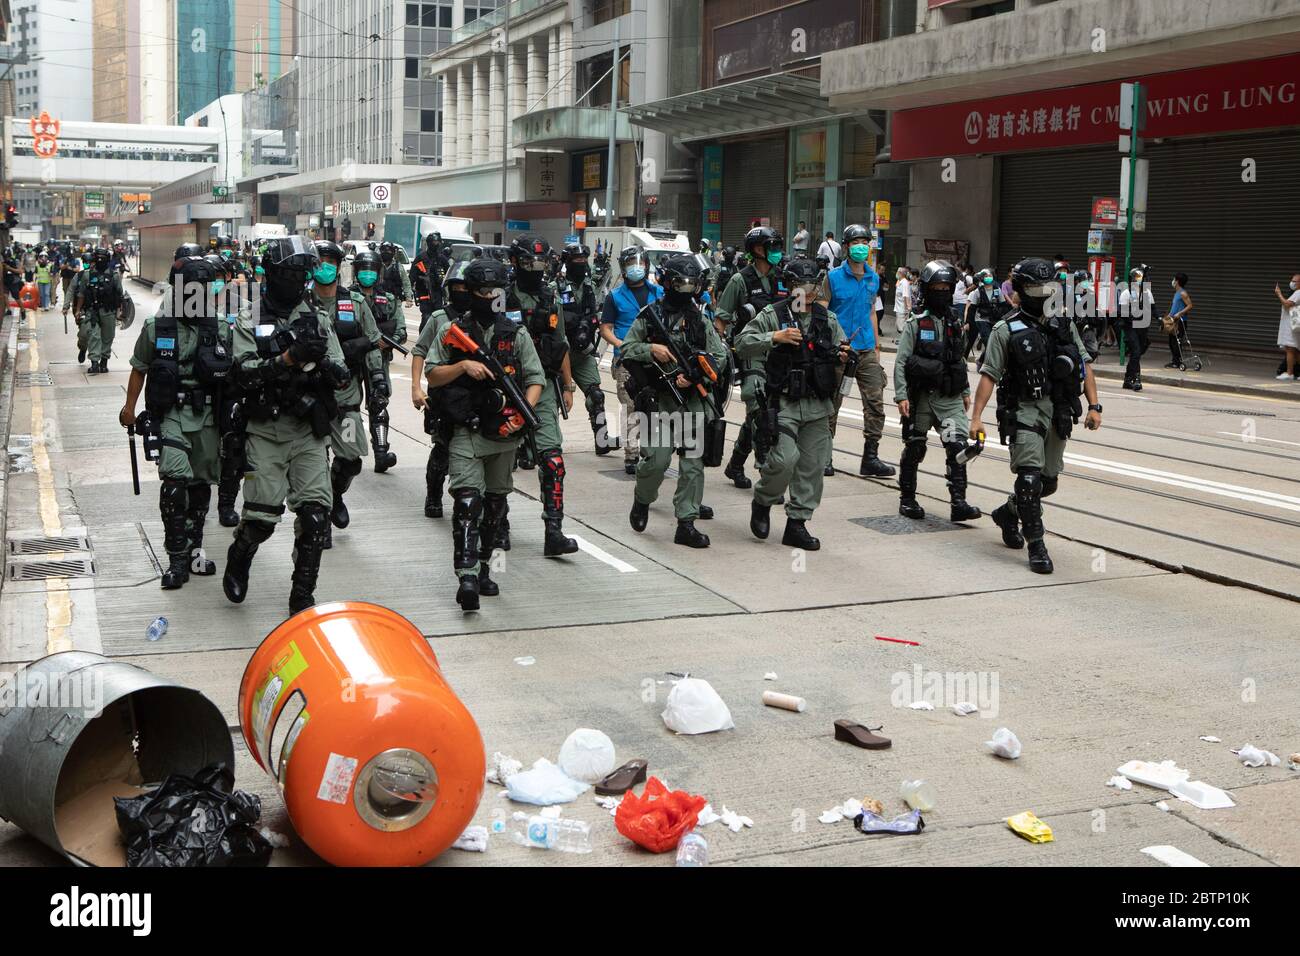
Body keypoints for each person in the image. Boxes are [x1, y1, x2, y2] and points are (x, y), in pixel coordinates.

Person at [223, 236, 350, 614]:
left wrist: (326, 365)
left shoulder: (317, 318)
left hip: (306, 430)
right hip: (265, 430)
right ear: (272, 274)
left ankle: (302, 593)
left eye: (302, 275)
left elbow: (341, 375)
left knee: (315, 517)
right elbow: (244, 373)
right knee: (262, 519)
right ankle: (240, 555)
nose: (297, 282)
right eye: (290, 274)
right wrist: (289, 359)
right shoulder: (249, 318)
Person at [969, 257, 1103, 575]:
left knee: (1048, 482)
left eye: (1049, 288)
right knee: (1028, 481)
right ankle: (1037, 546)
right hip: (1023, 408)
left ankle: (1007, 512)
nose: (1044, 294)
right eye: (1036, 288)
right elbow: (989, 375)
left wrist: (1095, 406)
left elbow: (1084, 364)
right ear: (1021, 289)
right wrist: (976, 418)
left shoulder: (1062, 323)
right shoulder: (1005, 330)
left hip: (1057, 408)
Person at [425, 258, 545, 610]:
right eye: (483, 291)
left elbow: (535, 380)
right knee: (467, 504)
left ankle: (489, 571)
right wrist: (463, 365)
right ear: (471, 293)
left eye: (496, 291)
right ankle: (466, 578)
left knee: (495, 508)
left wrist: (523, 417)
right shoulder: (452, 331)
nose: (490, 296)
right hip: (467, 430)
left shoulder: (515, 333)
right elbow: (432, 375)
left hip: (505, 433)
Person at [119, 255, 228, 589]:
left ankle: (195, 549)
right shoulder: (157, 327)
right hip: (170, 416)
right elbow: (139, 367)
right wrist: (129, 407)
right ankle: (176, 559)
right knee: (174, 483)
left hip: (208, 416)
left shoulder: (222, 326)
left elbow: (237, 374)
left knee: (199, 487)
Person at [736, 256, 846, 549]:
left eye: (813, 285)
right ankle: (763, 500)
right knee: (784, 461)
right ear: (790, 286)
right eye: (802, 285)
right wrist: (775, 336)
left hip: (817, 405)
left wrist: (844, 356)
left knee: (813, 466)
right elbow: (743, 342)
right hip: (783, 402)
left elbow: (841, 350)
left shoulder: (828, 319)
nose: (809, 291)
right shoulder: (774, 314)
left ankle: (796, 524)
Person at [621, 254, 728, 549]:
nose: (685, 288)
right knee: (657, 460)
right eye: (680, 282)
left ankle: (686, 523)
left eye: (691, 283)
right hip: (660, 401)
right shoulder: (649, 315)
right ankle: (642, 500)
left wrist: (697, 375)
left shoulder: (700, 320)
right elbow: (626, 350)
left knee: (693, 464)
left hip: (692, 401)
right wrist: (651, 349)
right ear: (667, 282)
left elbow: (719, 357)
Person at [893, 261, 982, 523]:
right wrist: (901, 396)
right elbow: (901, 361)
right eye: (937, 288)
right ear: (927, 289)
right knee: (914, 449)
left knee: (958, 448)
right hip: (920, 398)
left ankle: (959, 502)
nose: (942, 292)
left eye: (946, 287)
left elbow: (959, 360)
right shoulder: (916, 322)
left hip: (949, 398)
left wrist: (965, 390)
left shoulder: (955, 320)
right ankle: (907, 499)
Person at [507, 234, 579, 556]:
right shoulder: (501, 296)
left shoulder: (552, 298)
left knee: (553, 461)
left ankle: (554, 531)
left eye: (540, 263)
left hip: (545, 386)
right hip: (506, 386)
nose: (535, 269)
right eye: (528, 263)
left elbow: (560, 343)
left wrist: (567, 385)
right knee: (499, 462)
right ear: (515, 263)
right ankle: (496, 523)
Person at [310, 240, 386, 548]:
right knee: (314, 463)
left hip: (346, 395)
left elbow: (374, 340)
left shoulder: (354, 302)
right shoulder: (301, 303)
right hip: (311, 395)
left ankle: (335, 493)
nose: (325, 267)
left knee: (351, 458)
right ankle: (321, 514)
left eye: (331, 261)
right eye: (319, 261)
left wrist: (378, 378)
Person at [717, 226, 788, 489]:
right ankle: (767, 473)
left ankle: (735, 464)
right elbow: (721, 320)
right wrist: (720, 353)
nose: (777, 252)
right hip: (750, 352)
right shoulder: (740, 280)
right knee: (759, 410)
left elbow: (798, 309)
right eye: (772, 246)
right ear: (757, 250)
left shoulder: (784, 277)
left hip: (779, 354)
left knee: (761, 414)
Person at [826, 224, 896, 479]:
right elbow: (823, 313)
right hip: (840, 350)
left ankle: (870, 457)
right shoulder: (832, 278)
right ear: (846, 247)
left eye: (865, 242)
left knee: (875, 403)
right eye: (856, 242)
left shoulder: (873, 278)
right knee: (832, 403)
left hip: (866, 349)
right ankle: (824, 455)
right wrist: (832, 345)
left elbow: (871, 312)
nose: (861, 247)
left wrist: (877, 349)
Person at [411, 262, 473, 519]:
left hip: (472, 395)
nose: (461, 291)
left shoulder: (480, 319)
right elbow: (419, 351)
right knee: (442, 449)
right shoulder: (439, 319)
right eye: (456, 287)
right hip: (443, 394)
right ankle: (433, 495)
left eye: (465, 287)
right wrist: (416, 388)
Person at [601, 247, 665, 476]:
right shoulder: (615, 296)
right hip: (627, 360)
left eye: (639, 262)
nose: (635, 267)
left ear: (646, 265)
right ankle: (631, 454)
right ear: (623, 267)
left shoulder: (659, 292)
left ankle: (652, 452)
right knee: (632, 405)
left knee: (655, 406)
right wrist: (620, 344)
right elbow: (605, 329)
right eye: (630, 263)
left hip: (655, 357)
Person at [558, 242, 619, 456]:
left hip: (582, 352)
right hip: (558, 353)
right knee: (552, 399)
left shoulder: (589, 284)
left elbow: (605, 281)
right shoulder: (555, 285)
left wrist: (603, 262)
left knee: (596, 395)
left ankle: (602, 439)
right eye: (577, 260)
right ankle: (536, 446)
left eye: (585, 260)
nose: (581, 264)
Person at [350, 248, 403, 472]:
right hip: (352, 359)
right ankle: (348, 452)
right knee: (348, 406)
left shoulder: (389, 300)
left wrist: (388, 342)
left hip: (378, 360)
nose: (368, 274)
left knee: (379, 402)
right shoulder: (345, 298)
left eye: (372, 270)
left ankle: (381, 453)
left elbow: (400, 330)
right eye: (363, 270)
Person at [75, 247, 125, 374]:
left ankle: (104, 362)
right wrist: (78, 310)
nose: (100, 261)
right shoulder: (87, 275)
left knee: (108, 337)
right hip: (92, 311)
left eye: (103, 259)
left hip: (109, 311)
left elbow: (120, 294)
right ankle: (94, 363)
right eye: (98, 259)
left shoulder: (114, 275)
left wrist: (120, 312)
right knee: (94, 335)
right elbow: (81, 294)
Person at [1118, 265, 1154, 391]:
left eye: (1141, 277)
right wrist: (1131, 317)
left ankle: (1127, 380)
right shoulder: (1126, 293)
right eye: (1137, 277)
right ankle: (1136, 379)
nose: (1139, 279)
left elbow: (1153, 307)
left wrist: (1159, 319)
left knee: (1136, 353)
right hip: (1130, 327)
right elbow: (1121, 311)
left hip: (1142, 327)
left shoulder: (1147, 293)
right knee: (1136, 352)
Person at [410, 232, 448, 332]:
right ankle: (422, 341)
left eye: (438, 242)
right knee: (426, 317)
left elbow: (449, 276)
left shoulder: (442, 259)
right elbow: (412, 276)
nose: (437, 244)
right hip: (424, 293)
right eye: (435, 242)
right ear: (429, 243)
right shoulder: (421, 258)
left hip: (438, 293)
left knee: (439, 318)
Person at [1164, 273, 1193, 369]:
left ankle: (1177, 362)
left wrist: (1180, 313)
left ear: (1177, 281)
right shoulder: (1177, 293)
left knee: (1176, 342)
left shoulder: (1182, 293)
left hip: (1180, 322)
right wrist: (1169, 315)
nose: (1172, 281)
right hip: (1173, 321)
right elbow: (1175, 306)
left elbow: (1190, 305)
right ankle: (1175, 361)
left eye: (1174, 279)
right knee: (1172, 342)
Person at [1275, 274, 1300, 380]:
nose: (1292, 283)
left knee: (1290, 348)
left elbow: (1286, 304)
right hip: (1292, 325)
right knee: (1295, 350)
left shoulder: (1298, 293)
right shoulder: (1296, 292)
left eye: (1294, 281)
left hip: (1291, 326)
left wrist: (1279, 294)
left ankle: (1289, 373)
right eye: (1292, 280)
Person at [893, 266, 913, 331]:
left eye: (897, 272)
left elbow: (906, 296)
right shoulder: (901, 282)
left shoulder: (904, 283)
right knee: (899, 327)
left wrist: (908, 309)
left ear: (900, 273)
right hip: (899, 309)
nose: (896, 273)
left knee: (902, 329)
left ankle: (903, 341)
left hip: (902, 311)